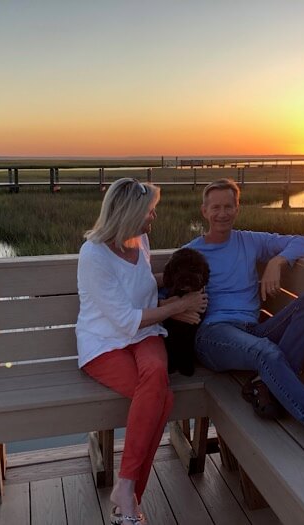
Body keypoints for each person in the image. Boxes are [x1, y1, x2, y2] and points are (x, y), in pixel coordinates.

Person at [186, 178, 304, 457]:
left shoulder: (250, 241)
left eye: (229, 206)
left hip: (252, 331)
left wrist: (277, 261)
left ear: (237, 209)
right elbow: (169, 291)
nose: (222, 213)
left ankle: (264, 387)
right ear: (204, 211)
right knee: (265, 350)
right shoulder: (192, 251)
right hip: (214, 336)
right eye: (215, 207)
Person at [77, 178, 207, 525]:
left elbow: (145, 286)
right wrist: (179, 307)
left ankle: (125, 491)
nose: (154, 217)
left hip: (147, 333)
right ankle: (129, 498)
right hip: (104, 343)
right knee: (160, 397)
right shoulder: (93, 255)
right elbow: (125, 320)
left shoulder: (141, 240)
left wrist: (184, 284)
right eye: (150, 211)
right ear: (130, 213)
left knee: (156, 380)